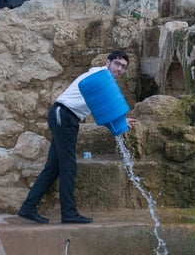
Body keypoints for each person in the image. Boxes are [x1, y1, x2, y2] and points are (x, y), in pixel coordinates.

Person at [18, 50, 135, 225]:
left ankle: (28, 207)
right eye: (117, 63)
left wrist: (121, 120)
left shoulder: (103, 84)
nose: (119, 69)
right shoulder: (99, 74)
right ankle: (69, 213)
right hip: (64, 115)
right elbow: (108, 102)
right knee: (68, 166)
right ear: (107, 62)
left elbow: (104, 109)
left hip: (66, 118)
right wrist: (119, 117)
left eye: (123, 67)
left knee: (53, 168)